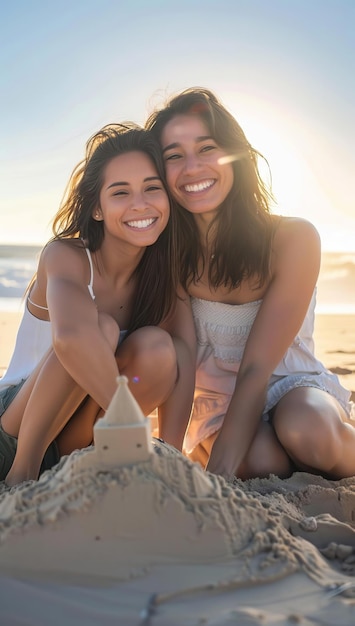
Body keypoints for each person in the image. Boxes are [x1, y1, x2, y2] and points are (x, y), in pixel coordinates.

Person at [145, 87, 355, 481]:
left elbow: (258, 367)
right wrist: (170, 459)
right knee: (260, 463)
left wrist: (218, 478)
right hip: (219, 402)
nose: (192, 168)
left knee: (308, 434)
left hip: (291, 385)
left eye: (206, 148)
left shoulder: (292, 238)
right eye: (174, 156)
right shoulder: (168, 254)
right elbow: (184, 359)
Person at [0, 123, 196, 487]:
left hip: (73, 441)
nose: (140, 204)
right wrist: (131, 426)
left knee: (158, 348)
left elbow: (184, 356)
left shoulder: (165, 274)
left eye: (152, 188)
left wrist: (172, 453)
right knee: (100, 329)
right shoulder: (66, 256)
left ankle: (84, 468)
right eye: (120, 193)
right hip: (12, 430)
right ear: (97, 210)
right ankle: (20, 477)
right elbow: (72, 338)